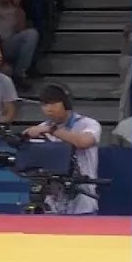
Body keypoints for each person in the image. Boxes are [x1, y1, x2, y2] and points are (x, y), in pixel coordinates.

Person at [23, 85, 102, 214]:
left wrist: (52, 130)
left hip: (82, 200)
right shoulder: (41, 128)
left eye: (54, 103)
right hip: (51, 201)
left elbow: (83, 142)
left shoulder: (88, 124)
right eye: (45, 104)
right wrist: (26, 136)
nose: (49, 108)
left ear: (66, 103)